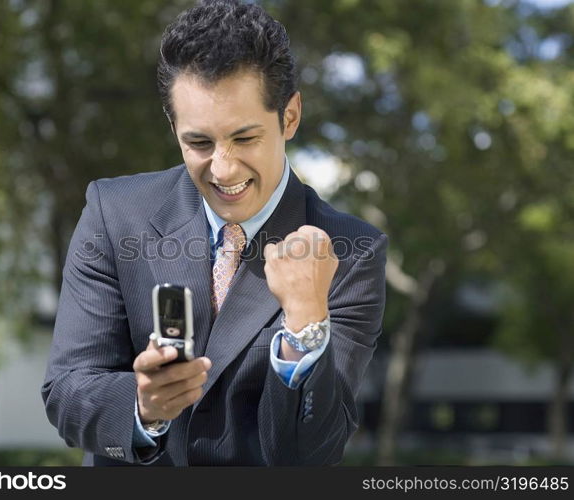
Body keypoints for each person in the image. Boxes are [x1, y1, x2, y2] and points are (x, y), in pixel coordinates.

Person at [42, 0, 387, 466]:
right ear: (173, 126)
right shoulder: (112, 214)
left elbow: (311, 454)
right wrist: (142, 407)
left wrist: (306, 320)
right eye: (199, 142)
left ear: (289, 117)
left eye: (244, 138)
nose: (223, 169)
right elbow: (67, 392)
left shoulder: (354, 252)